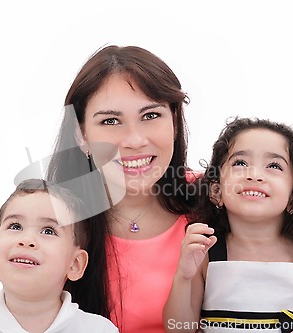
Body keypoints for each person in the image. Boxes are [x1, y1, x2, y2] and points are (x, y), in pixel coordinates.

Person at [46, 45, 197, 333]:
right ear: (82, 136)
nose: (135, 140)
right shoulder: (54, 220)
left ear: (175, 122)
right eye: (110, 121)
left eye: (151, 115)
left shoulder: (218, 198)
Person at [163, 118, 293, 333]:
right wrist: (183, 276)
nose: (255, 175)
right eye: (240, 163)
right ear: (216, 191)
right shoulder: (207, 255)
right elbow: (179, 329)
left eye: (274, 166)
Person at [0, 179, 119, 333]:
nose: (26, 240)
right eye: (15, 226)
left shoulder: (98, 330)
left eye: (48, 231)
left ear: (75, 264)